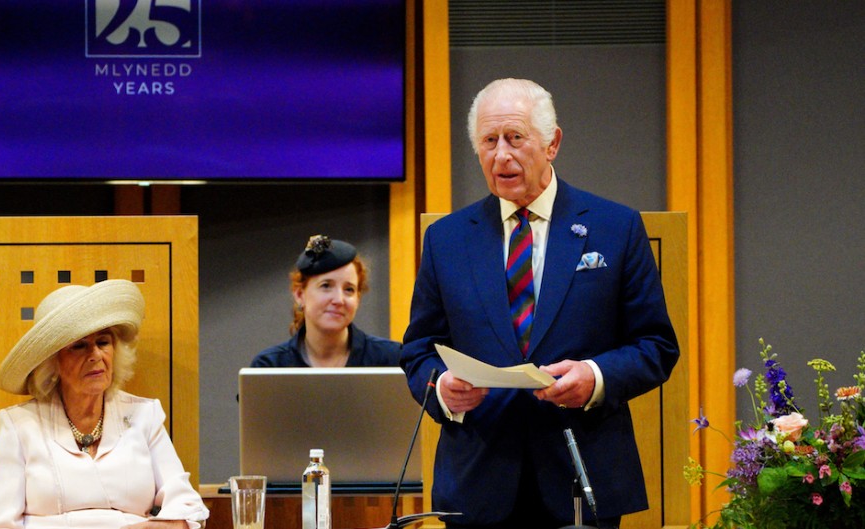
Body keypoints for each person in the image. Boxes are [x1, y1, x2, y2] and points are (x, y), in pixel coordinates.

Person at [401, 78, 679, 529]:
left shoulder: (616, 227)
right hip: (478, 484)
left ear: (552, 144)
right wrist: (444, 390)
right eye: (489, 141)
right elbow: (418, 349)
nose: (501, 155)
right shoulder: (446, 240)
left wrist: (594, 376)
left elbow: (657, 345)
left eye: (515, 138)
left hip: (581, 474)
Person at [0, 279, 209, 529]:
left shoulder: (145, 415)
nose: (96, 355)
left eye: (103, 342)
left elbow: (186, 505)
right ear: (53, 363)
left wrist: (163, 527)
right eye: (79, 346)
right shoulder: (19, 424)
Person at [252, 235, 401, 367]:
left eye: (349, 289)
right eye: (326, 286)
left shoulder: (392, 360)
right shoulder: (270, 366)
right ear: (299, 295)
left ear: (358, 298)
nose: (339, 300)